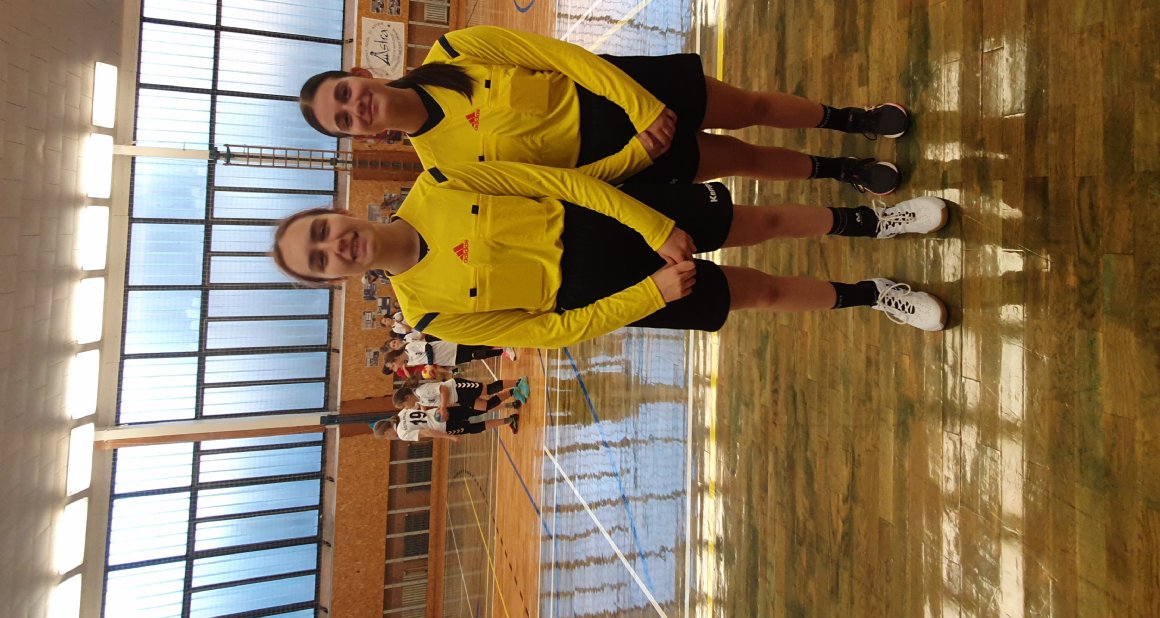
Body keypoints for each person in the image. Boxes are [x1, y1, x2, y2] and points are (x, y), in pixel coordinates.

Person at [271, 161, 953, 348]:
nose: (336, 245)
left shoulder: (440, 181)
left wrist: (651, 225)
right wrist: (650, 294)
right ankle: (874, 295)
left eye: (322, 231)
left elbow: (557, 184)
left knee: (763, 220)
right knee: (760, 293)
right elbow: (549, 330)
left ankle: (877, 221)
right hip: (605, 295)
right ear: (335, 279)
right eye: (321, 259)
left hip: (611, 218)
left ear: (338, 211)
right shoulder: (427, 315)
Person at [298, 25, 910, 196]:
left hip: (617, 88)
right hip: (621, 155)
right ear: (360, 137)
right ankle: (843, 171)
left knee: (748, 107)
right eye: (344, 120)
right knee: (742, 161)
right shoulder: (442, 168)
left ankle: (849, 119)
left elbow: (558, 55)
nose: (357, 108)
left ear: (359, 74)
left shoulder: (455, 50)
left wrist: (641, 105)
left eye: (345, 94)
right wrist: (632, 155)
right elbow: (551, 185)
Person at [374, 391, 517, 442]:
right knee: (478, 409)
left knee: (475, 427)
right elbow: (420, 407)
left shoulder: (402, 434)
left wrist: (449, 437)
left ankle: (510, 419)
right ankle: (511, 400)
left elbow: (427, 432)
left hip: (444, 426)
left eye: (386, 437)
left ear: (387, 432)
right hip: (441, 413)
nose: (388, 439)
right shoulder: (401, 413)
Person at [407, 374, 526, 416]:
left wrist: (443, 407)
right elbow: (425, 406)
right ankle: (513, 392)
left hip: (458, 388)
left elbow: (443, 389)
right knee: (486, 406)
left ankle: (519, 382)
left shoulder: (421, 392)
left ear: (406, 398)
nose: (406, 408)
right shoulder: (419, 400)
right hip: (459, 398)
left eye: (404, 405)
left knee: (489, 389)